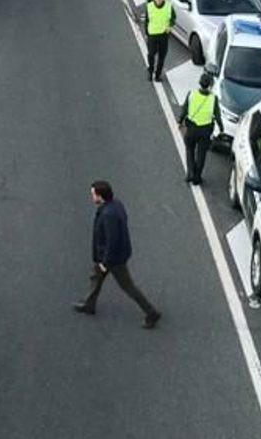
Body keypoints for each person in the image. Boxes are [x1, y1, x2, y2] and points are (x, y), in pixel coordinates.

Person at [72, 180, 160, 328]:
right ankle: (89, 303)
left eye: (93, 194)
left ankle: (151, 312)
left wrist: (105, 263)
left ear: (100, 196)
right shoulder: (116, 204)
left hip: (113, 259)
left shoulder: (108, 215)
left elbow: (112, 241)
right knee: (96, 277)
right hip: (113, 255)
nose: (92, 197)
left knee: (128, 286)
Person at [179, 72, 220, 185]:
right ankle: (197, 178)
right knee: (201, 154)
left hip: (191, 127)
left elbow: (185, 109)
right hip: (205, 130)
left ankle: (190, 174)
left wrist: (180, 120)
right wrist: (221, 128)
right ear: (210, 85)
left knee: (189, 149)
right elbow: (217, 116)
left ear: (199, 83)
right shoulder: (213, 99)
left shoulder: (191, 94)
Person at [143, 0, 174, 82]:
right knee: (151, 54)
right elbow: (147, 21)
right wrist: (146, 33)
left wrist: (170, 26)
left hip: (163, 35)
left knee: (162, 56)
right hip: (152, 35)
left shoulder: (168, 6)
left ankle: (158, 75)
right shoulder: (149, 6)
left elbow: (173, 18)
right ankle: (150, 71)